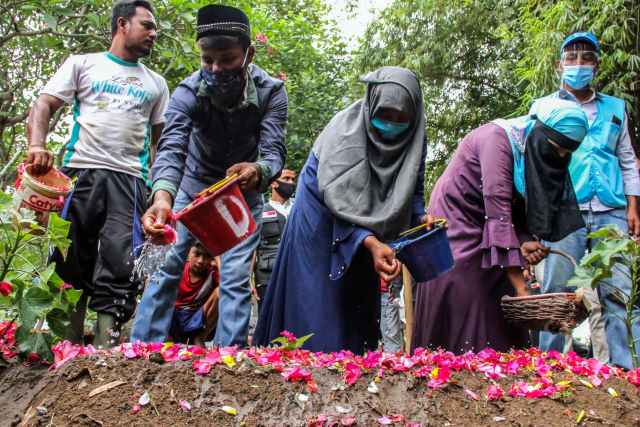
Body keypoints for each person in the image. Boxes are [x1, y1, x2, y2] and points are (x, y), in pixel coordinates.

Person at [131, 4, 288, 346]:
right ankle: (143, 351)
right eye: (207, 59)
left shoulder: (272, 92)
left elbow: (274, 152)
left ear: (249, 54)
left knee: (233, 275)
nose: (215, 68)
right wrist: (162, 199)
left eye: (227, 59)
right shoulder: (187, 92)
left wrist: (258, 170)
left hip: (240, 191)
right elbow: (171, 148)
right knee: (165, 269)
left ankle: (227, 358)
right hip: (191, 189)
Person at [25, 0, 169, 348]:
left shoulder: (156, 84)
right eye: (147, 25)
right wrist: (36, 146)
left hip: (131, 180)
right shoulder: (82, 64)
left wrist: (159, 191)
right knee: (69, 257)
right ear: (122, 24)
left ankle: (106, 349)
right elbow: (43, 104)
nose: (154, 33)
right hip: (80, 173)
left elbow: (162, 142)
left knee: (122, 261)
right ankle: (65, 345)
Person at [255, 67, 428, 354]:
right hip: (321, 223)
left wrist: (421, 217)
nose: (392, 124)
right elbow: (338, 200)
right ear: (371, 104)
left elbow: (414, 184)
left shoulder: (415, 139)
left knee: (355, 310)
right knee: (319, 314)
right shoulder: (344, 135)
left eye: (401, 118)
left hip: (365, 234)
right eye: (385, 115)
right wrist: (371, 242)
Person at [412, 98, 589, 355]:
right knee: (469, 291)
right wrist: (521, 291)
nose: (559, 156)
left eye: (567, 153)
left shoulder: (530, 150)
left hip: (493, 233)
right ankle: (455, 373)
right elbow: (498, 211)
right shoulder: (498, 141)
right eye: (555, 148)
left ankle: (499, 381)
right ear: (539, 132)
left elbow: (515, 209)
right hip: (457, 225)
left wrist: (525, 238)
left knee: (500, 306)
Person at [534, 32, 640, 370]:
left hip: (612, 211)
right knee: (556, 292)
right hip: (566, 212)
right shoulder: (545, 108)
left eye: (586, 58)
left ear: (596, 65)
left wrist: (634, 207)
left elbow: (626, 159)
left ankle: (624, 370)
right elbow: (535, 165)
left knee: (619, 292)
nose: (579, 65)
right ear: (559, 65)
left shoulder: (616, 109)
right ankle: (549, 366)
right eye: (572, 58)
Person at [253, 168, 297, 304]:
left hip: (298, 275)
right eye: (286, 179)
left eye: (293, 179)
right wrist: (249, 281)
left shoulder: (300, 208)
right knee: (268, 321)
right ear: (273, 183)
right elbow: (252, 249)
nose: (291, 183)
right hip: (267, 277)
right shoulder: (259, 212)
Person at [170, 242, 220, 345]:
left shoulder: (211, 273)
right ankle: (168, 337)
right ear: (188, 254)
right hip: (173, 317)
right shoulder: (178, 267)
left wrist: (217, 259)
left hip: (197, 318)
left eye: (206, 256)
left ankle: (201, 336)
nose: (201, 261)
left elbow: (228, 284)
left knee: (222, 291)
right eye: (197, 254)